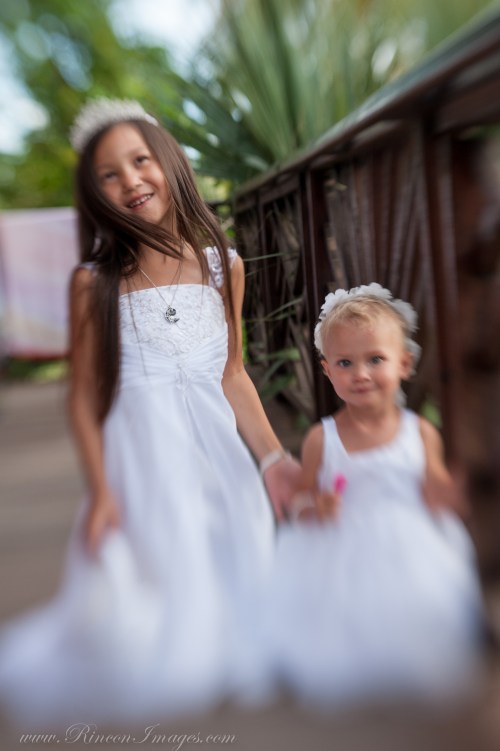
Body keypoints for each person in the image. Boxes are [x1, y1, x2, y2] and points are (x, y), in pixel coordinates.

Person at [0, 98, 300, 728]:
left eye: (140, 160)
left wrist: (273, 457)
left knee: (239, 554)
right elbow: (81, 395)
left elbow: (233, 373)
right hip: (146, 463)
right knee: (166, 588)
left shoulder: (224, 265)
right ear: (94, 192)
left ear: (168, 162)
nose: (130, 180)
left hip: (218, 452)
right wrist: (103, 491)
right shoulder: (93, 283)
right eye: (109, 173)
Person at [254, 283, 484, 706]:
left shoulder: (420, 433)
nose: (360, 374)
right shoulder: (321, 440)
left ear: (404, 364)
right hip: (344, 546)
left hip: (408, 545)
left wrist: (447, 491)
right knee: (341, 631)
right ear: (327, 371)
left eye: (375, 359)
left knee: (414, 616)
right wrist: (314, 506)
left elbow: (431, 487)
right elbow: (303, 500)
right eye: (345, 362)